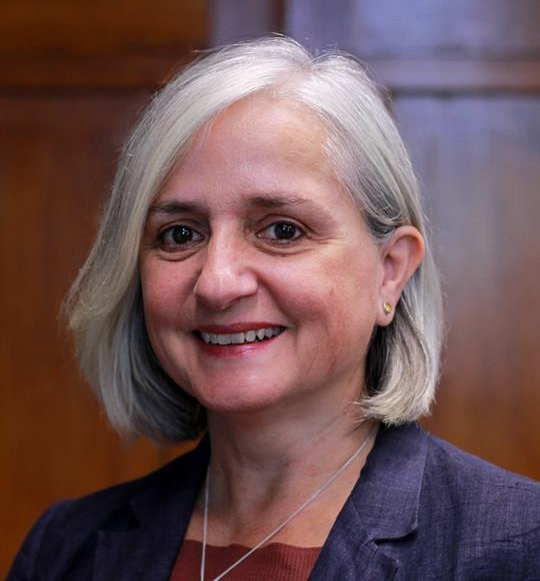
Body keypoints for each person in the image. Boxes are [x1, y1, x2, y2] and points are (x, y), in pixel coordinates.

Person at [8, 36, 540, 581]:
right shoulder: (65, 550)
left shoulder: (520, 548)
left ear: (390, 270)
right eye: (180, 234)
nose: (217, 283)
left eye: (282, 230)